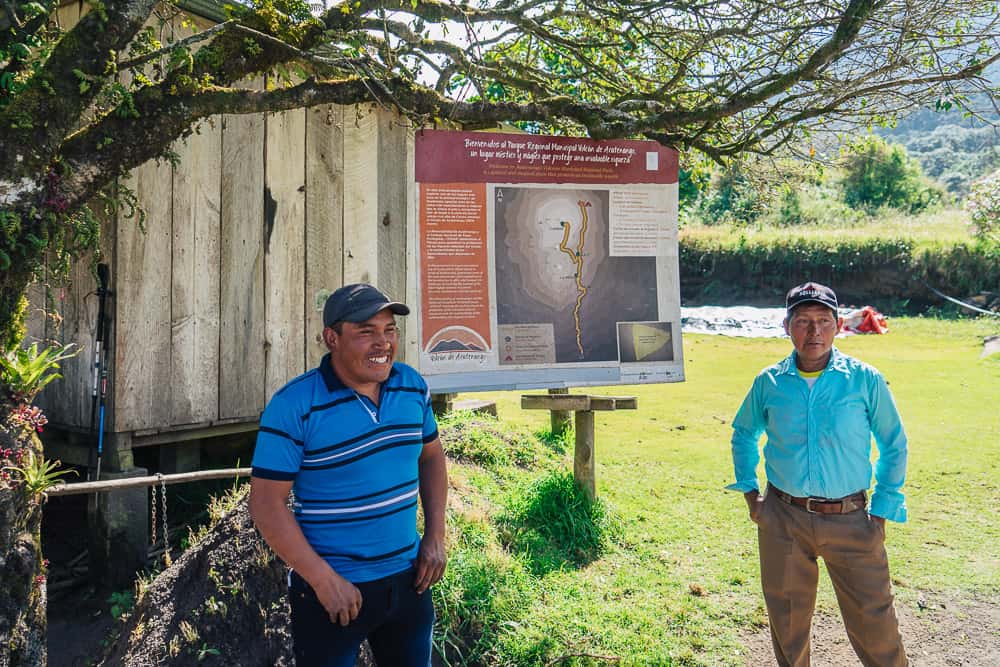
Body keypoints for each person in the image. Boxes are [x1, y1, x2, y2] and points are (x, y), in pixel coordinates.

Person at [249, 283, 448, 667]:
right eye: (366, 332)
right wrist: (322, 580)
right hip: (333, 594)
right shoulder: (294, 405)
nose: (383, 342)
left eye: (389, 330)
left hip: (410, 582)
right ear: (331, 338)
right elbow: (266, 504)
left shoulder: (412, 386)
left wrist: (436, 535)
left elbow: (432, 458)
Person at [727, 281, 908, 667]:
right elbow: (744, 433)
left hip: (852, 520)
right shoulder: (769, 382)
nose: (814, 332)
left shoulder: (864, 379)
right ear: (786, 326)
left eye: (824, 321)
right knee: (788, 627)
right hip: (783, 518)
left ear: (839, 325)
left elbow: (893, 443)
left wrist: (881, 511)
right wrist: (751, 495)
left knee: (876, 626)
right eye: (804, 321)